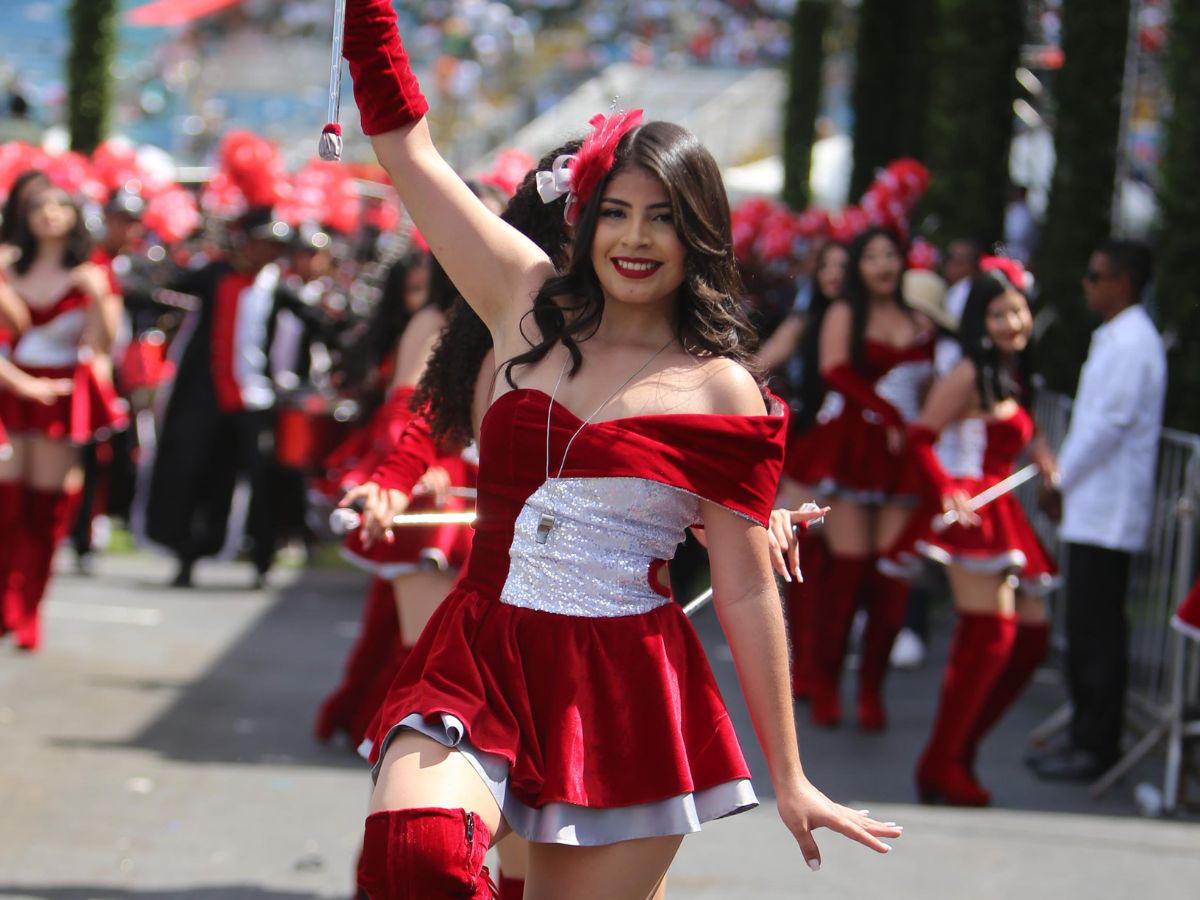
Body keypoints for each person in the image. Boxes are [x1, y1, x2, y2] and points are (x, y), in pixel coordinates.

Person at [339, 1, 901, 895]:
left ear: (699, 233)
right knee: (415, 855)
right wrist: (367, 15)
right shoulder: (525, 303)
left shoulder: (722, 388)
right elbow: (409, 152)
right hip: (480, 652)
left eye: (663, 218)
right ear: (584, 221)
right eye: (617, 214)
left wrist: (790, 776)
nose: (636, 239)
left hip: (622, 688)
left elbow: (745, 587)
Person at [901, 270, 1057, 805]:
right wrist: (946, 487)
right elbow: (920, 436)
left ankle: (955, 753)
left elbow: (1021, 428)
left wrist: (1041, 451)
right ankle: (943, 762)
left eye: (1017, 310)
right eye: (998, 314)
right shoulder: (968, 370)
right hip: (972, 513)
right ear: (978, 322)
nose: (1012, 322)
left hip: (1001, 511)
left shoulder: (1009, 370)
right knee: (991, 639)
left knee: (1030, 638)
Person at [1031, 239, 1166, 782]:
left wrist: (1060, 477)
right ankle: (1085, 733)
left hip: (1108, 511)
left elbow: (1107, 426)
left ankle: (1095, 744)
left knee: (1098, 633)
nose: (1087, 285)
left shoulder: (1133, 341)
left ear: (1123, 282)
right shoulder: (1118, 336)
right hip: (1095, 508)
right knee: (1086, 629)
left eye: (1096, 275)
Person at [798, 227, 934, 730]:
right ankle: (827, 683)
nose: (882, 265)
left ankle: (872, 690)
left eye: (890, 255)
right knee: (848, 573)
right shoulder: (845, 312)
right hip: (851, 451)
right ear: (858, 264)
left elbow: (932, 385)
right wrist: (889, 415)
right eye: (872, 256)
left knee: (891, 582)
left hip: (902, 460)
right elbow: (834, 370)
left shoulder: (920, 320)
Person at [0, 180, 124, 650]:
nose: (49, 214)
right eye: (39, 207)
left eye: (59, 206)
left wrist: (98, 296)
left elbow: (103, 345)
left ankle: (31, 607)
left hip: (60, 395)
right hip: (9, 389)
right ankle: (5, 603)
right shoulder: (7, 265)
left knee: (44, 508)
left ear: (75, 215)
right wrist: (21, 382)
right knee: (6, 505)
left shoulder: (92, 272)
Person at [139, 207, 290, 588]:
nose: (268, 253)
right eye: (263, 244)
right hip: (205, 398)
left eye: (275, 246)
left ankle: (262, 559)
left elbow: (315, 322)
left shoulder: (277, 286)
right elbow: (165, 288)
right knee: (193, 474)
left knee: (261, 477)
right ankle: (186, 556)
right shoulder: (214, 275)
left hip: (253, 399)